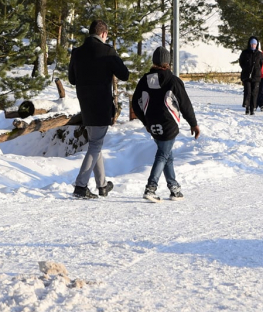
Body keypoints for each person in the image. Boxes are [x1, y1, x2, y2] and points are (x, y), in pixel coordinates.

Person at [67, 19, 131, 198]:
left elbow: (72, 79)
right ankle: (80, 186)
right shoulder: (107, 51)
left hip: (85, 105)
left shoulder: (77, 52)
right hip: (101, 105)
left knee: (96, 144)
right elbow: (124, 75)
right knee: (95, 145)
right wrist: (113, 58)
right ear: (103, 34)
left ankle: (102, 185)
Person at [131, 47, 200, 202]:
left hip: (153, 124)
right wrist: (193, 124)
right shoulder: (173, 81)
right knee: (163, 154)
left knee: (166, 154)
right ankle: (151, 188)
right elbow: (185, 104)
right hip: (169, 124)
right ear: (168, 63)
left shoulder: (144, 80)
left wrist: (146, 121)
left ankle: (174, 188)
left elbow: (136, 104)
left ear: (154, 62)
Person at [234, 37, 263, 116]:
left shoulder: (259, 54)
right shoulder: (245, 53)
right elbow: (241, 62)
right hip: (247, 75)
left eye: (254, 44)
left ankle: (253, 108)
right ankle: (247, 107)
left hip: (256, 76)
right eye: (252, 44)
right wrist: (246, 68)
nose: (253, 45)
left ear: (257, 45)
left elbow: (261, 63)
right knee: (247, 91)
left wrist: (257, 70)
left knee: (254, 92)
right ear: (249, 44)